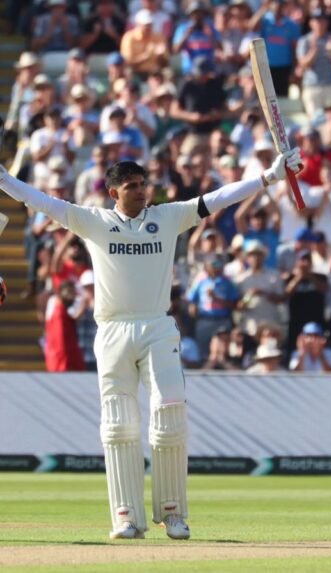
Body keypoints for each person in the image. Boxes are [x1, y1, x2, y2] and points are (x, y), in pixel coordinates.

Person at [0, 147, 301, 539]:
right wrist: (4, 178)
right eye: (132, 186)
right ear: (113, 193)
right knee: (118, 426)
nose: (142, 192)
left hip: (158, 327)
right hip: (112, 330)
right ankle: (125, 517)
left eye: (143, 184)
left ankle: (172, 513)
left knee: (170, 414)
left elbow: (218, 198)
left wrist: (267, 178)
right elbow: (38, 201)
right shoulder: (93, 221)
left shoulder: (167, 216)